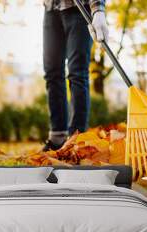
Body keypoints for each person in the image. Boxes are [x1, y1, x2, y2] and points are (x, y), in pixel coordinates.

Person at [42, 0, 109, 151]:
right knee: (52, 73)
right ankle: (57, 138)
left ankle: (77, 140)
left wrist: (98, 10)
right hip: (51, 8)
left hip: (80, 8)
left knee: (77, 73)